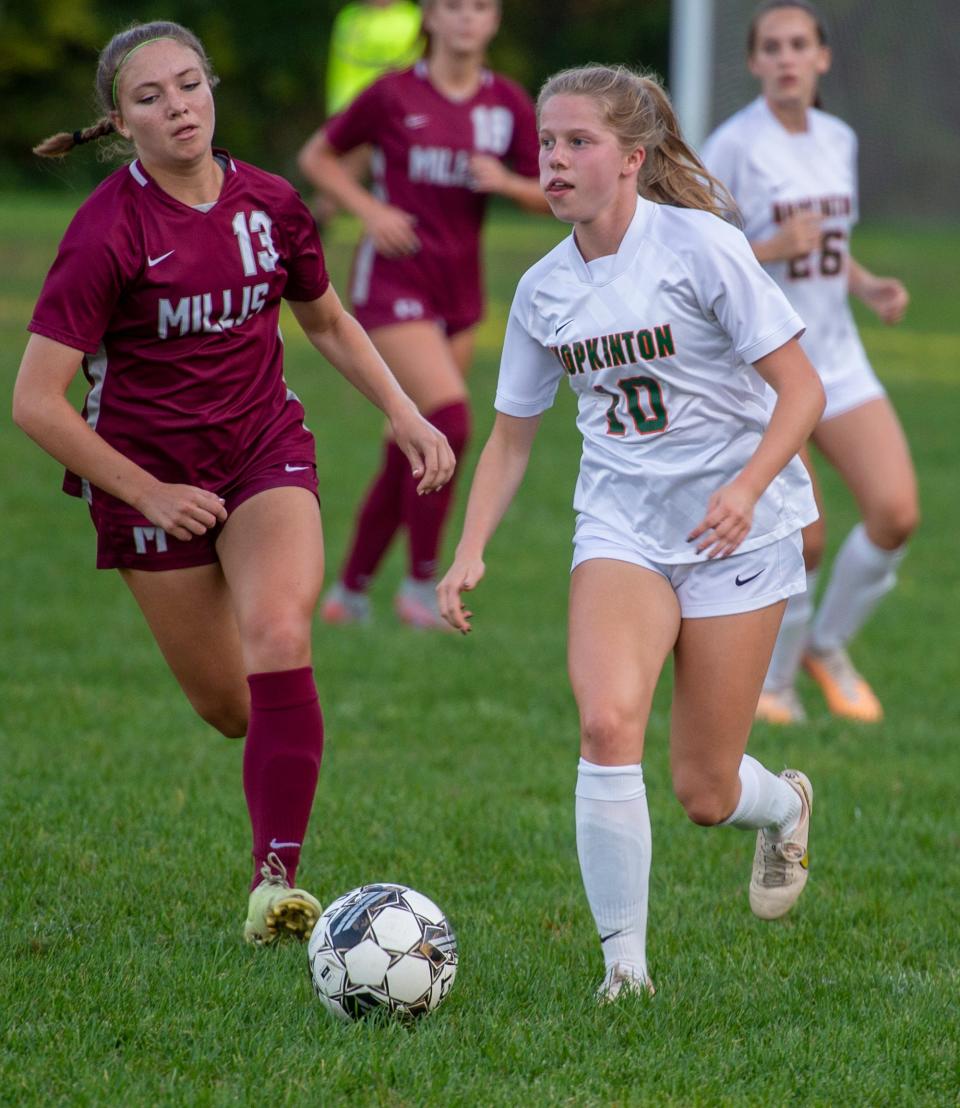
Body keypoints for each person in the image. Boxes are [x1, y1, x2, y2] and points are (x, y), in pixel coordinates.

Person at [13, 21, 454, 946]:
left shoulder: (272, 203)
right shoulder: (107, 231)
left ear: (212, 88)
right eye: (150, 97)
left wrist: (404, 411)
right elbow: (37, 403)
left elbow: (327, 323)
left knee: (281, 631)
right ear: (119, 120)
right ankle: (279, 773)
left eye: (189, 85)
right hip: (146, 483)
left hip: (264, 450)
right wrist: (147, 493)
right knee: (232, 709)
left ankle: (276, 887)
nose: (177, 106)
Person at [437, 64, 826, 1000]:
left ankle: (785, 803)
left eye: (579, 143)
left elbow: (803, 392)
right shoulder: (542, 291)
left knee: (705, 790)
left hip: (741, 530)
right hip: (620, 529)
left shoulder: (702, 248)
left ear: (632, 159)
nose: (556, 160)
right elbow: (512, 439)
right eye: (547, 142)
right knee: (608, 723)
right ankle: (626, 972)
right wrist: (469, 549)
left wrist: (746, 486)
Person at [701, 0, 919, 725]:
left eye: (800, 45)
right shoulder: (732, 145)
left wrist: (866, 283)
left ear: (822, 58)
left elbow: (826, 238)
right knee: (809, 537)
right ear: (755, 61)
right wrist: (769, 249)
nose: (788, 57)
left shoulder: (838, 137)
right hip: (770, 367)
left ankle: (825, 647)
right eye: (773, 46)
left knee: (895, 513)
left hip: (840, 355)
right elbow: (699, 255)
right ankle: (774, 684)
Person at [298, 0, 548, 630]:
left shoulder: (507, 105)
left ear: (495, 22)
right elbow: (317, 159)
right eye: (453, 7)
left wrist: (510, 184)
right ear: (429, 18)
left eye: (482, 8)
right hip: (392, 285)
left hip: (459, 292)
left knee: (405, 445)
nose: (468, 18)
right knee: (449, 419)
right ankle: (418, 587)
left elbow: (552, 189)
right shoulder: (391, 94)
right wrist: (368, 209)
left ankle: (349, 595)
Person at [313, 0, 425, 225]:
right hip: (357, 112)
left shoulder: (412, 17)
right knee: (341, 177)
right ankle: (310, 230)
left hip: (402, 114)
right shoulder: (351, 18)